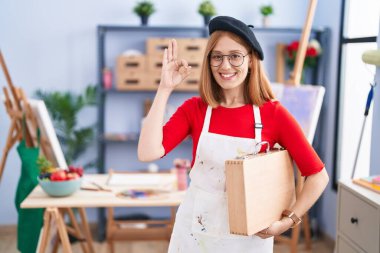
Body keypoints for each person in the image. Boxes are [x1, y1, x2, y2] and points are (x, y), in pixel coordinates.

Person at [138, 16, 329, 253]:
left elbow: (318, 176)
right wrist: (164, 88)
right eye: (217, 56)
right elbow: (147, 152)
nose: (225, 66)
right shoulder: (195, 109)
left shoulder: (273, 114)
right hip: (194, 233)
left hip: (248, 240)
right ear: (209, 62)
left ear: (250, 61)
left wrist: (288, 221)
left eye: (235, 56)